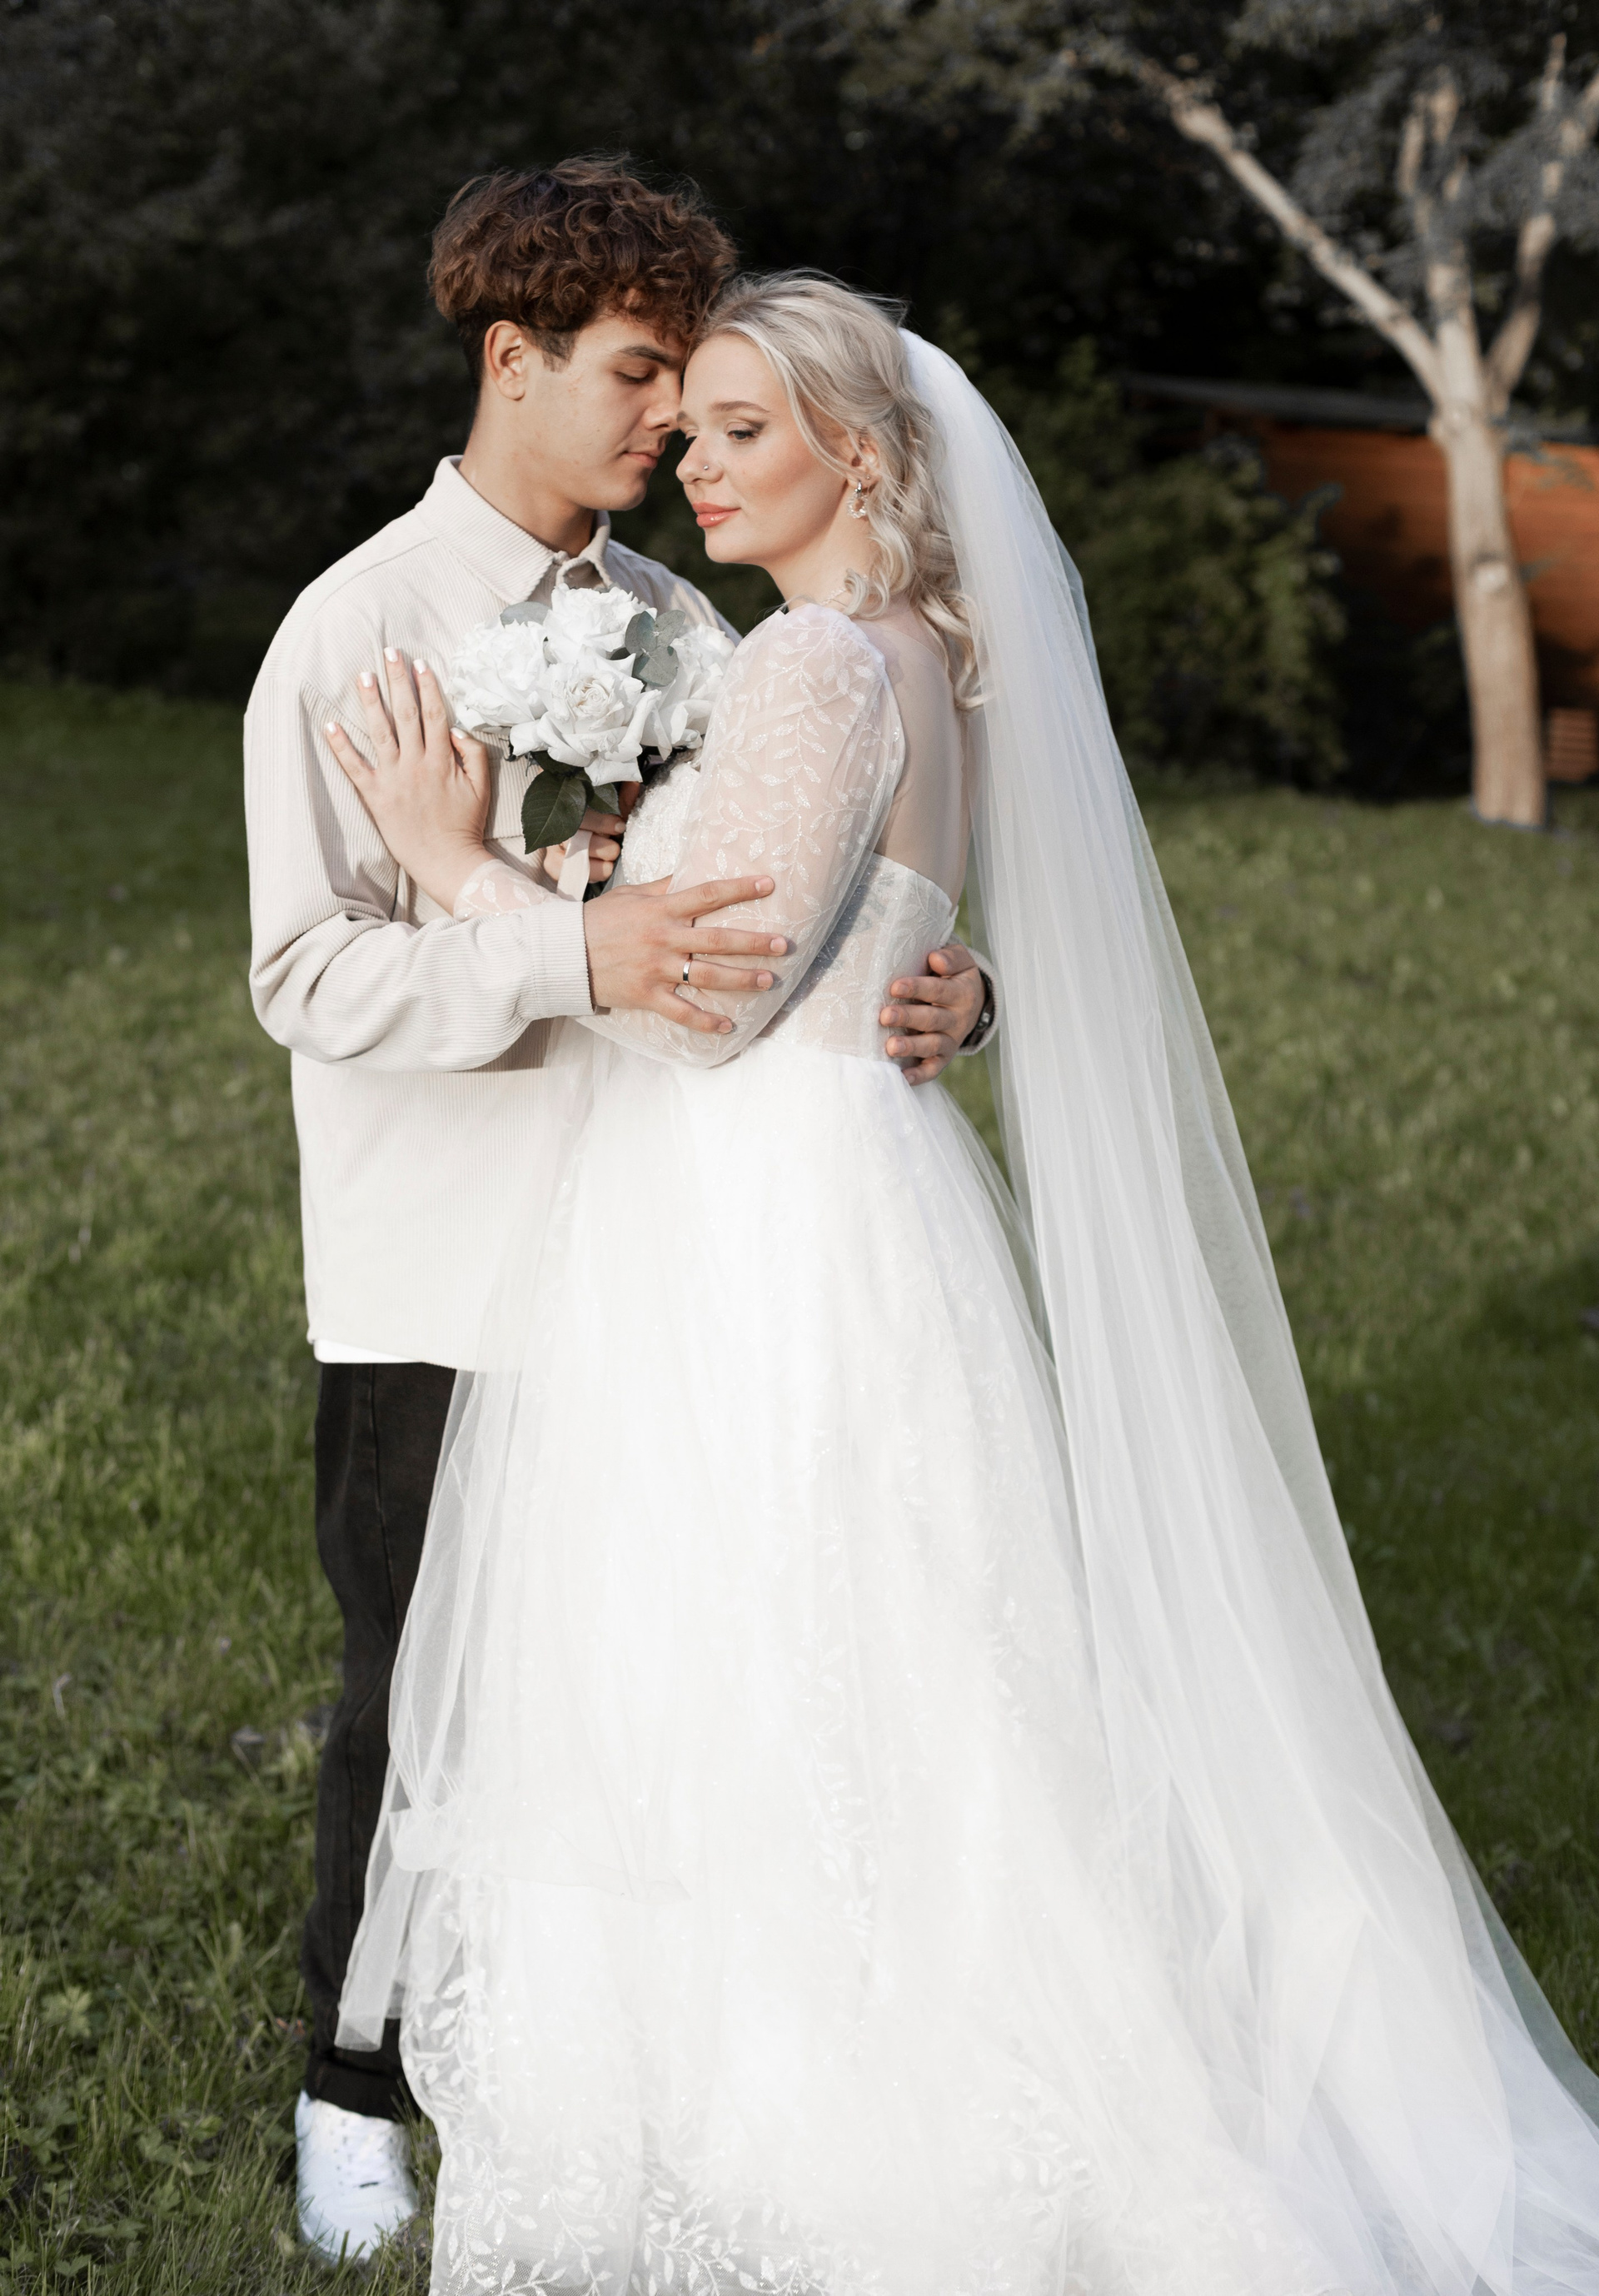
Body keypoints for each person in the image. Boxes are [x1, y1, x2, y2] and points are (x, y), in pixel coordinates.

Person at [333, 274, 1599, 2295]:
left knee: (754, 1672)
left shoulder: (819, 659)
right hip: (868, 1196)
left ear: (861, 453)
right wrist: (927, 976)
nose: (695, 461)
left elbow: (709, 1005)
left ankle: (825, 2142)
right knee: (911, 1673)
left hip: (756, 1217)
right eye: (694, 423)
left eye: (744, 428)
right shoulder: (936, 655)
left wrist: (460, 862)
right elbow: (862, 935)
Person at [244, 173, 994, 2265]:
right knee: (416, 1687)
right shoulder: (358, 625)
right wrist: (559, 948)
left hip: (677, 1259)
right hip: (455, 1250)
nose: (674, 417)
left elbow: (808, 878)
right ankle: (350, 2078)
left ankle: (574, 2054)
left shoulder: (694, 618)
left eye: (694, 379)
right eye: (644, 370)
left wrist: (955, 985)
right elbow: (306, 970)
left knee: (629, 1693)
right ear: (515, 358)